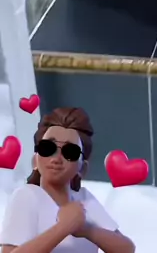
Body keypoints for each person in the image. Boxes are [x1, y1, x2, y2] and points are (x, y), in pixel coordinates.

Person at [0, 107, 134, 253]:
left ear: (82, 168)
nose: (56, 159)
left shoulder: (85, 199)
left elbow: (126, 249)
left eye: (70, 152)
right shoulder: (27, 196)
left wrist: (87, 229)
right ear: (35, 161)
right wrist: (63, 227)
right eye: (47, 148)